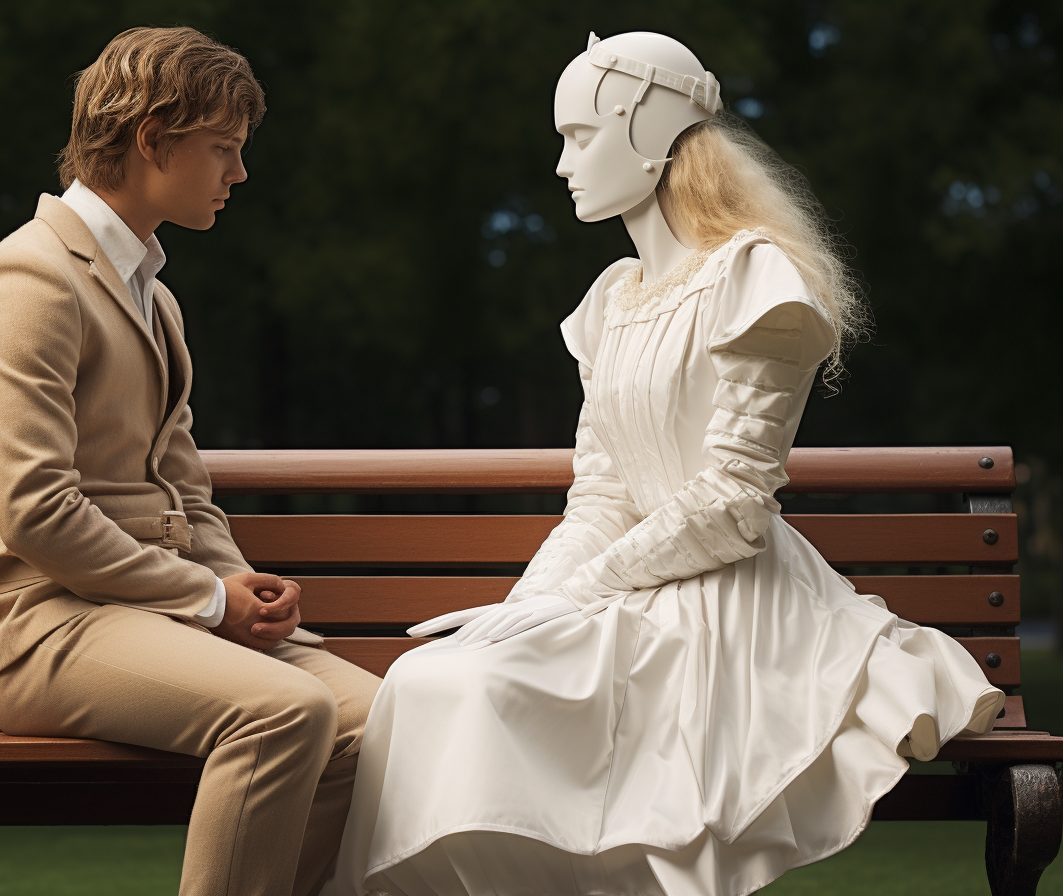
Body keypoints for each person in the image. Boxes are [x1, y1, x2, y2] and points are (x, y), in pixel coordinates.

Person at [321, 31, 1005, 896]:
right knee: (430, 679)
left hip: (734, 604)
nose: (564, 164)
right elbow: (602, 492)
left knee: (471, 698)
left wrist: (575, 595)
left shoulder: (758, 281)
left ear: (651, 135)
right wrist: (531, 602)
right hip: (632, 589)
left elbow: (731, 503)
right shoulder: (614, 299)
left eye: (580, 136)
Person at [0, 26, 380, 896]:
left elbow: (183, 483)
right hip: (45, 624)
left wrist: (238, 582)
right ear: (152, 139)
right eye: (223, 148)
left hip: (160, 611)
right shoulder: (28, 280)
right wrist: (209, 598)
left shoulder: (155, 293)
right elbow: (34, 510)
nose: (239, 173)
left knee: (381, 720)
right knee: (286, 712)